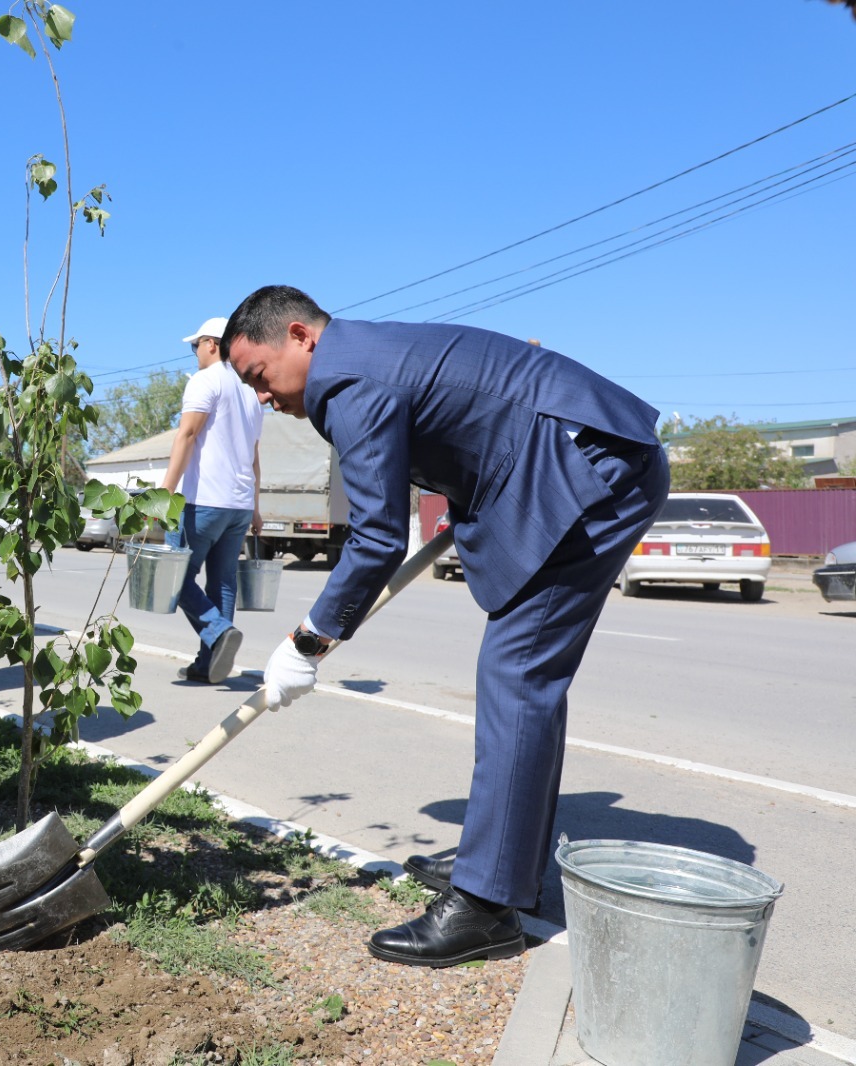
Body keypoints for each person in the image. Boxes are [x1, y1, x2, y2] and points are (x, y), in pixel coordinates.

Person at [223, 285, 669, 969]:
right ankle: (498, 863)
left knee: (518, 674)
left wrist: (307, 640)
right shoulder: (367, 354)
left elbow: (377, 538)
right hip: (586, 458)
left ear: (300, 336)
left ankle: (486, 907)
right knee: (520, 678)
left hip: (591, 474)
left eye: (259, 375)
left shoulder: (346, 380)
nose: (262, 396)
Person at [158, 316, 264, 684]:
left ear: (212, 344)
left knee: (174, 579)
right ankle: (208, 665)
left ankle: (219, 631)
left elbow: (187, 435)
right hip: (238, 506)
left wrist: (164, 494)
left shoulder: (205, 380)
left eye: (196, 346)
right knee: (222, 583)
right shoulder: (250, 391)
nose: (195, 353)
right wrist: (255, 508)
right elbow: (254, 456)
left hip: (202, 501)